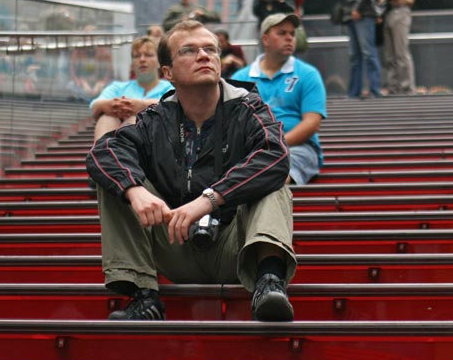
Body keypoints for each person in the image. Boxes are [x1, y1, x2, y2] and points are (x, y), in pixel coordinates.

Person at [85, 20, 296, 322]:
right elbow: (103, 152)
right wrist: (136, 192)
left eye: (211, 49)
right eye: (189, 50)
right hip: (175, 240)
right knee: (117, 179)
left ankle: (270, 282)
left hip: (236, 246)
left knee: (273, 181)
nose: (204, 56)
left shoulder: (248, 107)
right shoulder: (154, 119)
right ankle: (144, 297)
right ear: (168, 73)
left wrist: (209, 199)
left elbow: (275, 155)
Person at [232, 13, 327, 185]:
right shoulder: (241, 77)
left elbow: (312, 123)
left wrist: (273, 146)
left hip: (298, 149)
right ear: (266, 39)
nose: (290, 38)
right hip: (251, 151)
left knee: (275, 173)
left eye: (292, 33)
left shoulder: (307, 74)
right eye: (282, 33)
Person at [90, 37, 172, 140]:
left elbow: (174, 107)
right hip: (118, 140)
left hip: (159, 144)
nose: (142, 59)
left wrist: (140, 106)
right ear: (132, 64)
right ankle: (105, 155)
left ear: (159, 62)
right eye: (137, 56)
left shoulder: (170, 88)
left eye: (148, 55)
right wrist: (113, 105)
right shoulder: (118, 87)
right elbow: (94, 106)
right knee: (107, 118)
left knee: (135, 119)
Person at [374, 0, 416, 95]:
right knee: (389, 54)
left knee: (401, 52)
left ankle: (407, 87)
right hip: (388, 13)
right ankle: (393, 87)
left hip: (401, 11)